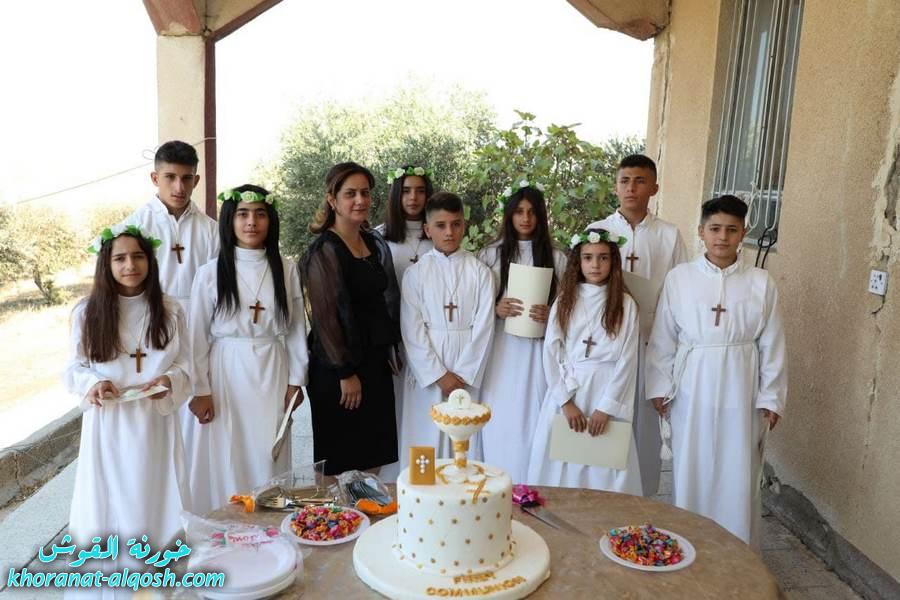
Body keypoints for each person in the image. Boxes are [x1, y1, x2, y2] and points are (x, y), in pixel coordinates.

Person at [645, 195, 787, 548]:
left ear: (743, 234)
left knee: (738, 470)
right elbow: (663, 337)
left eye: (731, 230)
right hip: (692, 386)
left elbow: (773, 343)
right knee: (692, 467)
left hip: (742, 386)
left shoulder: (761, 283)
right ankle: (689, 546)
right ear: (701, 232)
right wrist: (659, 386)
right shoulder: (680, 278)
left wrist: (771, 396)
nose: (722, 237)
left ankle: (737, 552)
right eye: (715, 229)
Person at [65, 225, 190, 575]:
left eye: (137, 256)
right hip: (109, 423)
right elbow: (74, 367)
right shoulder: (87, 312)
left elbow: (185, 365)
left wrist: (170, 379)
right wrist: (94, 382)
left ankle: (157, 572)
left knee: (155, 495)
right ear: (106, 264)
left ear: (150, 260)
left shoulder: (170, 310)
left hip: (154, 420)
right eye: (119, 258)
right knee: (111, 502)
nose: (130, 265)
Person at [189, 185, 308, 514]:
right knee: (229, 449)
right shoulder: (211, 272)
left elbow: (297, 328)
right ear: (230, 220)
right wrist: (200, 389)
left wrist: (297, 380)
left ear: (271, 220)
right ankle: (230, 520)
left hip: (272, 367)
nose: (251, 222)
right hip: (227, 368)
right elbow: (196, 335)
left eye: (260, 214)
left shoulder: (286, 268)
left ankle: (269, 519)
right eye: (242, 214)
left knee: (269, 448)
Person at [587, 154, 688, 496]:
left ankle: (641, 498)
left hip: (651, 342)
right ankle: (601, 494)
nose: (631, 188)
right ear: (615, 186)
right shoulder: (598, 231)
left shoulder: (669, 235)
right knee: (608, 419)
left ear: (654, 188)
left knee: (643, 428)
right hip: (607, 348)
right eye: (625, 181)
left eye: (640, 181)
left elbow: (680, 291)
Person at [123, 140, 219, 471]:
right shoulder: (135, 227)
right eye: (170, 177)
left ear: (196, 179)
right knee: (156, 431)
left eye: (186, 178)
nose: (179, 187)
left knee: (198, 434)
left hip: (200, 333)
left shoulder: (210, 230)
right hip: (151, 334)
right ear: (155, 178)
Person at [302, 162, 401, 476]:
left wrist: (390, 348)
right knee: (340, 465)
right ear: (332, 200)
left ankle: (367, 510)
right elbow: (325, 317)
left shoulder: (372, 242)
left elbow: (381, 301)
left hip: (374, 364)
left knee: (373, 458)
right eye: (350, 194)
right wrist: (345, 373)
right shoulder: (324, 250)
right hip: (339, 370)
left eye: (365, 193)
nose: (360, 200)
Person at [527, 229, 642, 494]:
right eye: (588, 258)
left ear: (613, 262)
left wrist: (606, 407)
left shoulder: (625, 304)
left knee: (605, 465)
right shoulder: (565, 301)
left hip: (607, 389)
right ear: (577, 262)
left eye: (603, 258)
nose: (595, 265)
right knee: (562, 464)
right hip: (571, 391)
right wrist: (565, 402)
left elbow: (627, 360)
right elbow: (550, 353)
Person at [477, 181, 566, 483]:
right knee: (501, 413)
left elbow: (570, 306)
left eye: (532, 212)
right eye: (519, 212)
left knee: (535, 415)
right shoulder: (490, 255)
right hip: (502, 349)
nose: (525, 218)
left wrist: (552, 314)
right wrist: (495, 308)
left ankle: (534, 481)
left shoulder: (557, 257)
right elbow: (475, 303)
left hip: (538, 350)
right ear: (509, 215)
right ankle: (498, 478)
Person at [400, 191, 495, 463]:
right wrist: (438, 375)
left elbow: (484, 327)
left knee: (464, 438)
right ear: (428, 229)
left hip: (466, 367)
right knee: (425, 437)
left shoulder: (480, 272)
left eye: (455, 224)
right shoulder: (415, 273)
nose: (449, 232)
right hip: (429, 368)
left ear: (464, 225)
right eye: (441, 226)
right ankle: (423, 487)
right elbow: (412, 329)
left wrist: (462, 374)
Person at [375, 165, 435, 481]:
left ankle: (422, 475)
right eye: (407, 191)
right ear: (396, 194)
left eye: (420, 191)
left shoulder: (437, 234)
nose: (413, 198)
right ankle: (392, 480)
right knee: (394, 413)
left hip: (430, 341)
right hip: (393, 342)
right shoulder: (379, 237)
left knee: (421, 413)